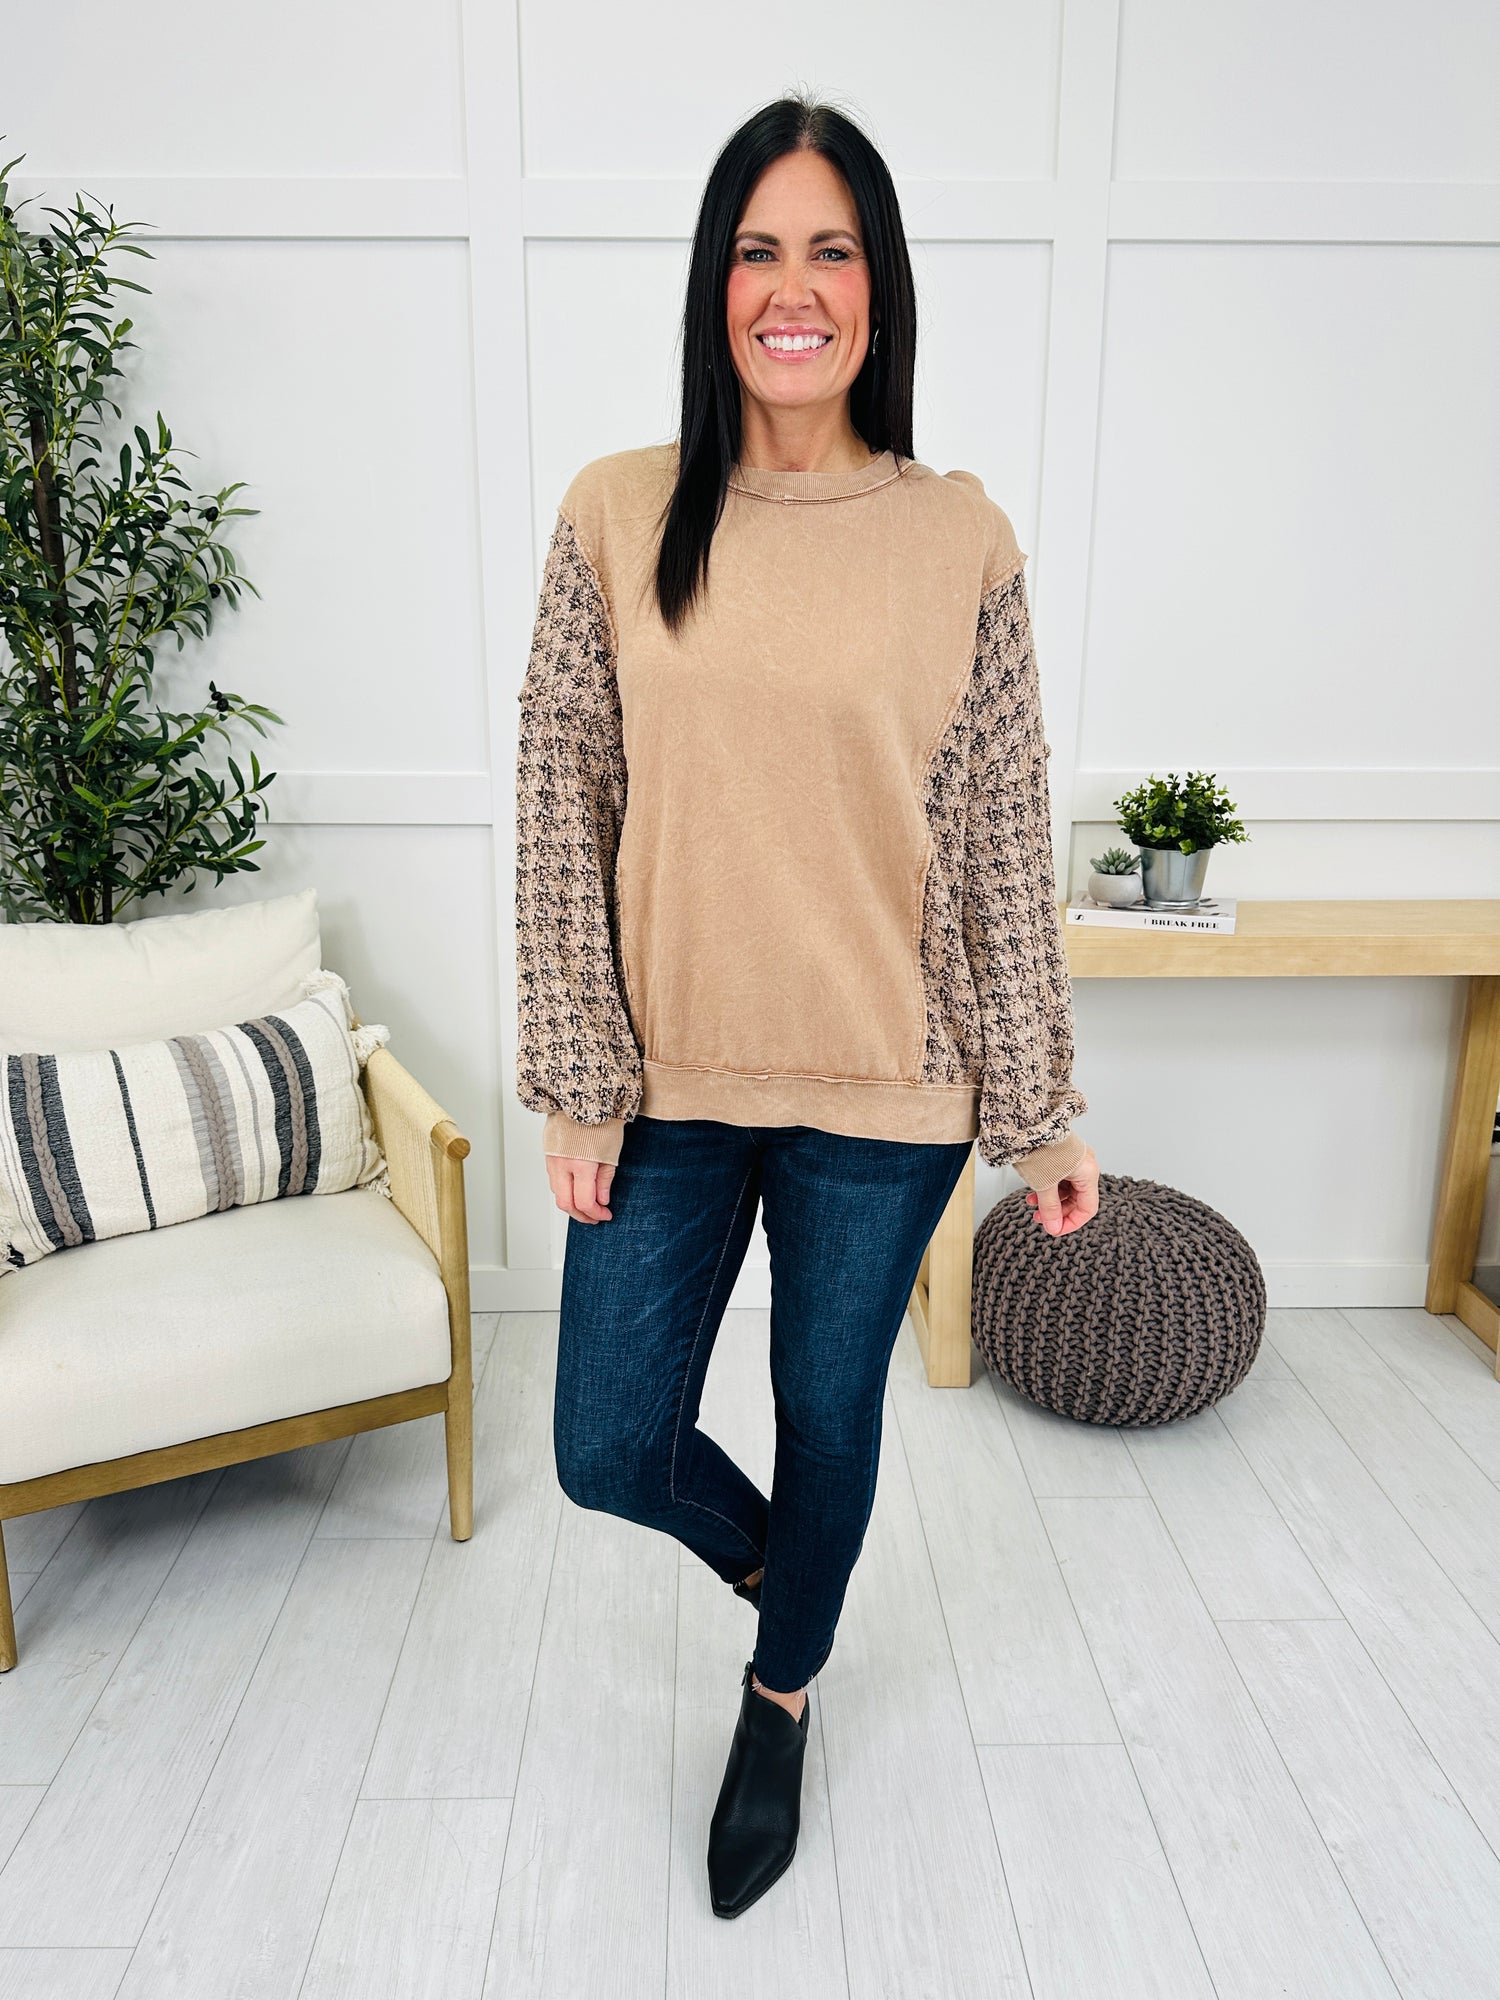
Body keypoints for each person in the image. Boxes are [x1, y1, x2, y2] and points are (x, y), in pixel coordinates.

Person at [514, 91, 1100, 1921]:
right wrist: (580, 1080)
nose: (794, 288)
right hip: (667, 1083)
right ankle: (798, 1581)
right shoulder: (619, 512)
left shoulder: (957, 536)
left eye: (831, 250)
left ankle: (780, 1700)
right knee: (608, 1444)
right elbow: (562, 801)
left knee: (827, 1416)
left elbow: (996, 839)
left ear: (879, 286)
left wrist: (1041, 1112)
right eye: (758, 249)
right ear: (715, 284)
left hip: (888, 1091)